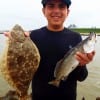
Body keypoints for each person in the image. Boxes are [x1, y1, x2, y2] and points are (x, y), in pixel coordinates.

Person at [4, 0, 95, 100]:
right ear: (44, 11)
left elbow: (82, 77)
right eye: (51, 6)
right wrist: (14, 41)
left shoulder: (75, 37)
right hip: (39, 97)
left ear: (67, 12)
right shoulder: (33, 36)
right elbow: (18, 62)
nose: (56, 10)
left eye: (61, 6)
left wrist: (81, 65)